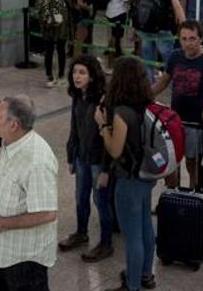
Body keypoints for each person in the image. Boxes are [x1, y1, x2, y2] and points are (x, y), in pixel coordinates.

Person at [0, 95, 59, 291]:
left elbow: (47, 213)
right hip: (2, 251)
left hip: (24, 259)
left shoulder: (37, 161)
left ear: (14, 124)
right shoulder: (11, 143)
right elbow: (8, 181)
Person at [96, 57, 155, 290]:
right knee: (146, 228)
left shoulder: (121, 113)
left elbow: (115, 149)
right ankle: (146, 275)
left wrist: (102, 126)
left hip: (129, 179)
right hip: (146, 176)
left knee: (132, 236)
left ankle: (132, 285)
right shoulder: (147, 104)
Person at [150, 20, 203, 190]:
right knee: (171, 162)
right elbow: (163, 82)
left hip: (195, 124)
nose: (188, 43)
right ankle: (171, 197)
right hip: (174, 121)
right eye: (184, 39)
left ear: (200, 39)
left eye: (192, 39)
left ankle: (193, 196)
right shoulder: (175, 56)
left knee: (192, 163)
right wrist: (144, 96)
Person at [60, 55, 113, 262]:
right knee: (80, 197)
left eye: (82, 72)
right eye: (74, 72)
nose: (77, 76)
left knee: (101, 201)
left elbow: (109, 134)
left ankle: (106, 243)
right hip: (82, 157)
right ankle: (81, 233)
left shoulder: (102, 100)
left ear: (92, 76)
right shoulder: (77, 97)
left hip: (99, 160)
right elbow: (74, 128)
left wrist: (107, 170)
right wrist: (71, 156)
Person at [136, 0, 186, 82]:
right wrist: (184, 24)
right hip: (163, 25)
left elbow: (139, 0)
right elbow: (176, 5)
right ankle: (173, 81)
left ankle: (149, 83)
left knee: (147, 58)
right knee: (168, 57)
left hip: (146, 24)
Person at [35, 0, 71, 88]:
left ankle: (49, 77)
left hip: (47, 23)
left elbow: (38, 7)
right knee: (61, 49)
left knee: (48, 50)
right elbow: (69, 3)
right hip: (61, 22)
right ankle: (61, 76)